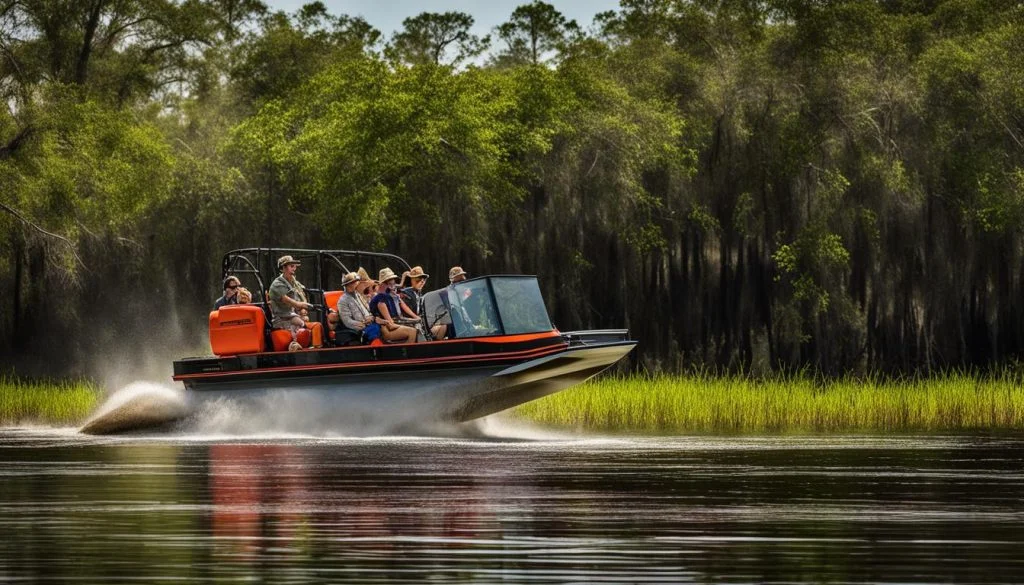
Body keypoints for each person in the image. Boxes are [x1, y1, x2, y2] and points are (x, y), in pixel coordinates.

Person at [269, 255, 322, 351]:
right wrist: (304, 306)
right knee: (304, 326)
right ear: (283, 268)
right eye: (291, 266)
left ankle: (316, 348)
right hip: (282, 319)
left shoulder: (294, 282)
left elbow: (302, 296)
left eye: (295, 266)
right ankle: (296, 347)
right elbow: (290, 302)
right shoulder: (277, 284)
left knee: (316, 325)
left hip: (292, 316)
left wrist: (305, 307)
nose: (294, 268)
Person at [370, 267, 417, 343]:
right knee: (413, 331)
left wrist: (413, 319)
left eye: (393, 284)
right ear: (383, 284)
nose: (392, 287)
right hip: (385, 330)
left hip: (392, 324)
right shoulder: (380, 300)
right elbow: (391, 324)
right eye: (389, 284)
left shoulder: (389, 295)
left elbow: (402, 305)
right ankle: (408, 353)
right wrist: (408, 322)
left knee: (416, 327)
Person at [402, 266, 447, 340]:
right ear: (412, 280)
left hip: (423, 324)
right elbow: (406, 314)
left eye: (423, 280)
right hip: (412, 324)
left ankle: (436, 348)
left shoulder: (419, 294)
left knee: (443, 325)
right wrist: (417, 319)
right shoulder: (406, 293)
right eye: (418, 280)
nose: (421, 282)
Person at [335, 271, 375, 345]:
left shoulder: (358, 295)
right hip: (358, 329)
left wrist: (371, 318)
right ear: (348, 285)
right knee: (376, 330)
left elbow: (367, 310)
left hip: (369, 324)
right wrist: (363, 323)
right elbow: (347, 321)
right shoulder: (343, 301)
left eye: (357, 282)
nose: (357, 284)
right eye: (355, 282)